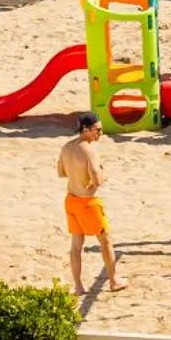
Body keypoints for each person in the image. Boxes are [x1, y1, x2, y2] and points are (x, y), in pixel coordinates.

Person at [57, 114, 124, 295]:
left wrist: (79, 176)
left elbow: (61, 172)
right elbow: (98, 179)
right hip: (88, 203)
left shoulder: (67, 147)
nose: (100, 133)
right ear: (85, 130)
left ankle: (78, 286)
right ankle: (114, 281)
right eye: (98, 130)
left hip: (71, 200)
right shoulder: (89, 151)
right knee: (106, 241)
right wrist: (103, 174)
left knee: (76, 245)